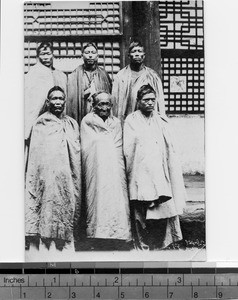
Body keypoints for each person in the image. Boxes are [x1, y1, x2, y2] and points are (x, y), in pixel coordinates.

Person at [123, 84, 186, 250]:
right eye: (146, 100)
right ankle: (142, 244)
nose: (150, 103)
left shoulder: (161, 120)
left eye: (152, 99)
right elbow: (129, 150)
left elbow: (169, 149)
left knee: (161, 210)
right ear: (138, 101)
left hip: (159, 173)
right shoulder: (131, 120)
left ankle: (159, 243)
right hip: (139, 173)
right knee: (140, 212)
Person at [25, 86, 81, 252]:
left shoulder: (71, 123)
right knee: (48, 205)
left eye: (60, 99)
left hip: (67, 175)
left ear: (65, 101)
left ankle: (64, 240)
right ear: (48, 102)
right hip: (47, 175)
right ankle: (46, 240)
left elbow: (76, 151)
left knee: (67, 203)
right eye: (54, 99)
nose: (58, 102)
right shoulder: (41, 123)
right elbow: (36, 156)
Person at [80, 91, 131, 248]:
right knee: (97, 196)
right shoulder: (88, 121)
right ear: (94, 106)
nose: (105, 107)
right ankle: (97, 235)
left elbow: (117, 145)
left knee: (116, 197)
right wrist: (103, 146)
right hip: (96, 167)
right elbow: (88, 145)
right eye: (101, 104)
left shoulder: (115, 122)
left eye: (108, 104)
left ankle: (117, 234)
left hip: (114, 167)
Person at [112, 41, 166, 122]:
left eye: (139, 51)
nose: (137, 54)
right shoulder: (121, 76)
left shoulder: (153, 76)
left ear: (144, 56)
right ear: (129, 55)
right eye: (134, 51)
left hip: (147, 117)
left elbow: (159, 100)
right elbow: (115, 101)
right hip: (127, 116)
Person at [25, 42, 67, 143]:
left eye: (48, 54)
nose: (46, 57)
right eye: (43, 54)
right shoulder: (34, 72)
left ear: (53, 54)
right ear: (38, 56)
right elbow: (33, 101)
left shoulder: (60, 74)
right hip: (39, 115)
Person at [67, 42, 112, 125]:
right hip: (81, 111)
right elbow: (71, 101)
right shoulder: (74, 75)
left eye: (93, 53)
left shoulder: (103, 74)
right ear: (82, 56)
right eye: (87, 53)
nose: (90, 55)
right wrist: (83, 95)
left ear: (97, 56)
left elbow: (109, 96)